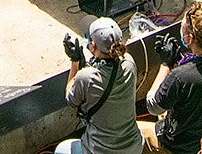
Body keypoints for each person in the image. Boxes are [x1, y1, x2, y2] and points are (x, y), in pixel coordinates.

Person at [141, 2, 202, 154]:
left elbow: (152, 106)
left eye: (183, 27)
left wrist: (165, 64)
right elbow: (200, 75)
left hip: (180, 148)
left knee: (131, 132)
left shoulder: (179, 77)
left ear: (190, 38)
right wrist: (180, 61)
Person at [57, 17, 143, 154]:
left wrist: (75, 62)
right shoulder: (129, 63)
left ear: (92, 46)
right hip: (133, 147)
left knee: (61, 149)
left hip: (100, 150)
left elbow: (70, 98)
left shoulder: (86, 77)